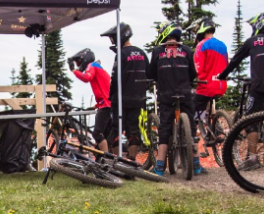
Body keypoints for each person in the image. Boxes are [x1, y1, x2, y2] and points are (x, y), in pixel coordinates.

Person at [218, 12, 264, 169]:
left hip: (259, 85)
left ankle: (252, 159)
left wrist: (222, 76)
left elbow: (235, 61)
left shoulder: (252, 41)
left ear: (258, 25)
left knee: (251, 119)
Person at [148, 22, 199, 178]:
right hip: (185, 93)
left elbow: (151, 74)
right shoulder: (187, 50)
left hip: (166, 95)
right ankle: (196, 165)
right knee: (191, 126)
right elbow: (193, 74)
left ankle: (160, 166)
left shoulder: (157, 51)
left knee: (164, 129)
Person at [100, 23, 151, 160]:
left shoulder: (121, 54)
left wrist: (111, 96)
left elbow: (115, 77)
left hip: (122, 99)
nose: (112, 41)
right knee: (134, 131)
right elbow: (149, 74)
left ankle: (119, 161)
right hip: (139, 98)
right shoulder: (141, 53)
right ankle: (133, 160)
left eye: (112, 38)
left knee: (116, 130)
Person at [68, 48, 113, 152]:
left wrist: (74, 70)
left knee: (97, 134)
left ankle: (105, 159)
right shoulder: (98, 67)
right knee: (106, 135)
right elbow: (105, 89)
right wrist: (96, 105)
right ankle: (104, 159)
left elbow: (86, 78)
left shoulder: (92, 66)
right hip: (108, 104)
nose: (79, 65)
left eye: (78, 62)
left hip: (106, 105)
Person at [190, 17, 228, 117]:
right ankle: (212, 125)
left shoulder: (201, 45)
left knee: (194, 109)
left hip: (206, 86)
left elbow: (198, 69)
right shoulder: (222, 45)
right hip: (221, 86)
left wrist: (188, 78)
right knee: (206, 103)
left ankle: (197, 126)